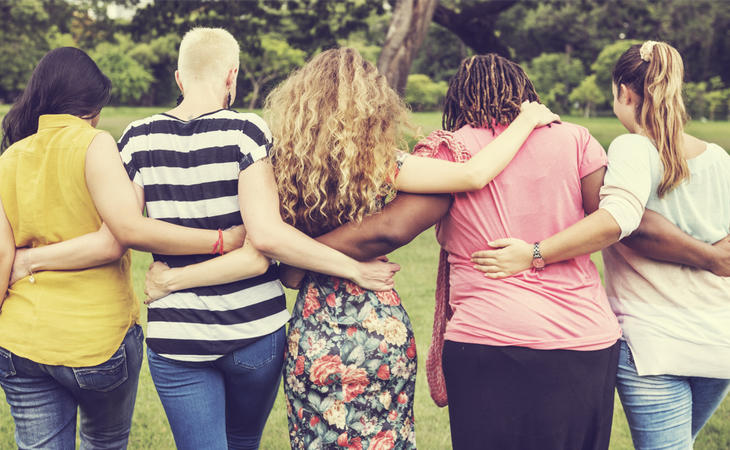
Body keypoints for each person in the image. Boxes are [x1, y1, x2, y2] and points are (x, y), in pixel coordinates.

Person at [144, 47, 558, 449]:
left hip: (314, 331)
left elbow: (280, 260)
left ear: (300, 101)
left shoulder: (280, 166)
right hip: (378, 324)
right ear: (373, 104)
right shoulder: (379, 163)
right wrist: (526, 119)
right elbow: (472, 174)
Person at [5, 32, 398, 450]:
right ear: (232, 75)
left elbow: (124, 229)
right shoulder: (247, 131)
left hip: (177, 337)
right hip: (254, 331)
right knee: (243, 439)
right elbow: (266, 237)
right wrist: (354, 268)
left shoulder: (137, 139)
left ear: (179, 78)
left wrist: (167, 280)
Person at [475, 41, 730, 449]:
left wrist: (533, 253)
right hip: (719, 341)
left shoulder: (632, 147)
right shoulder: (718, 158)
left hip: (653, 344)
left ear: (624, 93)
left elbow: (618, 219)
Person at [0, 46, 246, 450]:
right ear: (91, 104)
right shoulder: (93, 144)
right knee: (105, 442)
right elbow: (119, 236)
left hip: (20, 341)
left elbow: (3, 258)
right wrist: (221, 240)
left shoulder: (9, 158)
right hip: (96, 341)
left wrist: (28, 261)